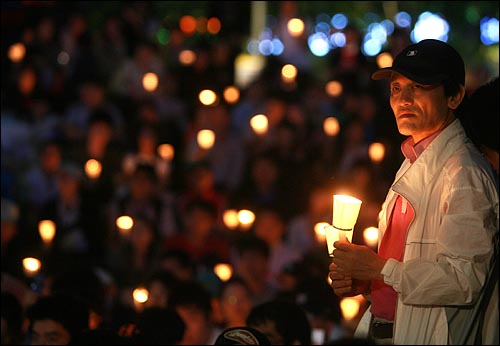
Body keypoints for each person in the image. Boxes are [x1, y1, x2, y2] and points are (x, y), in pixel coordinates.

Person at [328, 39, 499, 345]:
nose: (403, 99)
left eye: (418, 87)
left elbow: (464, 280)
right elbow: (401, 268)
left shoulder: (464, 174)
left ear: (454, 97)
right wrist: (366, 281)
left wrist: (380, 269)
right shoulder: (413, 160)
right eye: (396, 88)